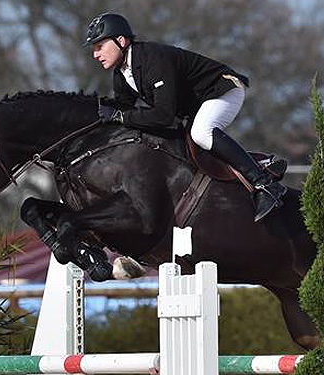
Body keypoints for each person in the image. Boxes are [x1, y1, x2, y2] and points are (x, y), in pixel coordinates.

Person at [84, 13, 285, 222]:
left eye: (99, 46)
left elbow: (163, 116)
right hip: (198, 105)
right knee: (187, 146)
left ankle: (265, 184)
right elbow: (123, 108)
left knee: (201, 133)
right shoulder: (122, 73)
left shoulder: (153, 59)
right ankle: (261, 163)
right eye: (93, 48)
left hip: (222, 89)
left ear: (121, 40)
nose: (95, 54)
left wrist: (120, 117)